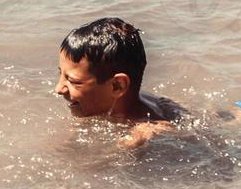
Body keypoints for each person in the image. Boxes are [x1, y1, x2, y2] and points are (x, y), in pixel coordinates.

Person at [54, 17, 181, 148]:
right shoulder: (99, 106)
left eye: (74, 81)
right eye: (60, 74)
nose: (58, 88)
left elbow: (169, 128)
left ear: (117, 86)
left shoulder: (144, 131)